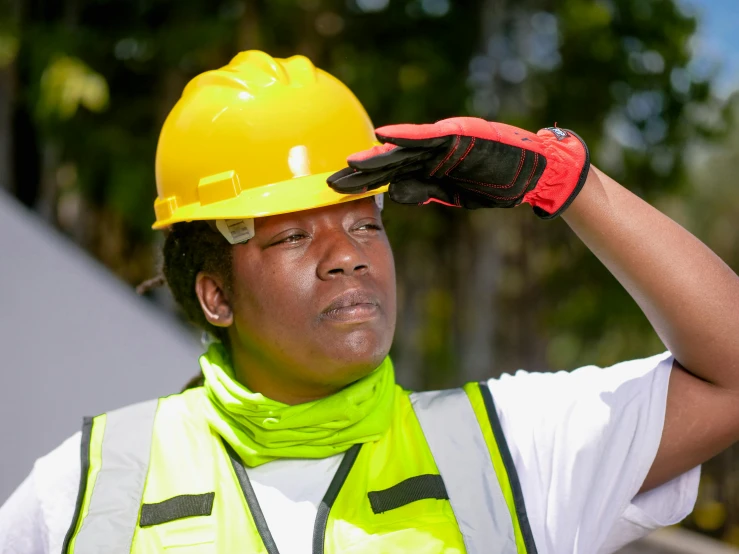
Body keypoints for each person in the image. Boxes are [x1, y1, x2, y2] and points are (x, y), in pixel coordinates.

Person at [1, 49, 738, 554]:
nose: (346, 254)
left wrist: (568, 185)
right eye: (290, 237)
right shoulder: (87, 486)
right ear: (215, 294)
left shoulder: (508, 450)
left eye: (363, 223)